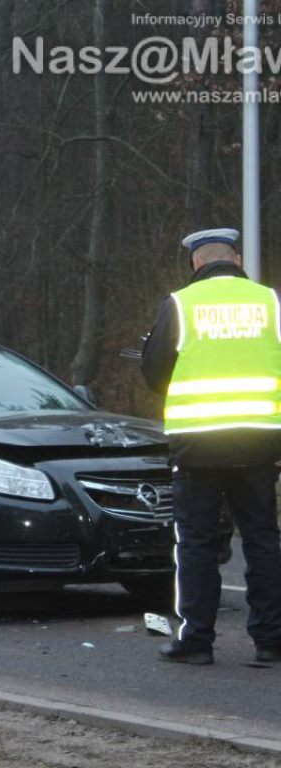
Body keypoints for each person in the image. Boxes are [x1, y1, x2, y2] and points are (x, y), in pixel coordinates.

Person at [141, 227, 281, 665]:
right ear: (236, 259)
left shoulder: (181, 304)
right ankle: (271, 642)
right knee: (262, 540)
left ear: (195, 264)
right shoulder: (270, 302)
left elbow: (155, 373)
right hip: (259, 441)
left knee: (196, 543)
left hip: (198, 445)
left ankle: (196, 640)